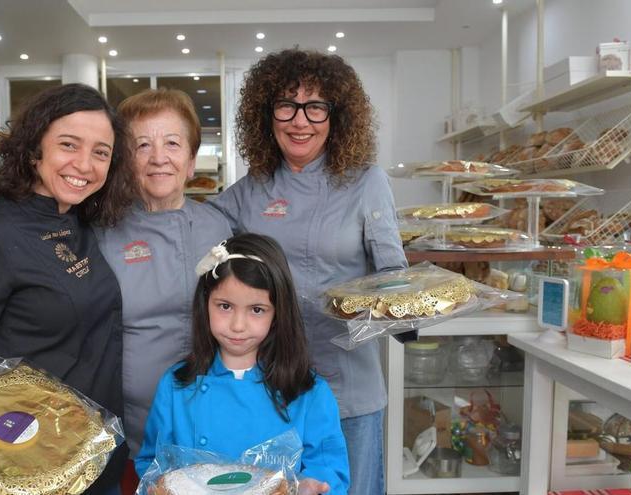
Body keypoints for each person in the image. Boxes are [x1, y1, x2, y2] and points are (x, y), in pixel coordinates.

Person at [210, 49, 410, 494]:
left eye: (315, 106)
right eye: (287, 105)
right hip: (270, 389)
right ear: (267, 115)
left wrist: (407, 310)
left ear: (336, 116)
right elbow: (193, 239)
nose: (300, 121)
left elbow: (394, 274)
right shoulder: (248, 192)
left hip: (348, 389)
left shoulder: (367, 182)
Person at [0, 83, 135, 495]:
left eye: (101, 152)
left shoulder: (80, 220)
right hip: (35, 465)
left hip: (100, 452)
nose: (85, 165)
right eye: (69, 145)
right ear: (35, 149)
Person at [135, 233, 350, 495]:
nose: (238, 325)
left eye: (256, 309)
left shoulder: (308, 391)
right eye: (225, 306)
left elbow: (329, 468)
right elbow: (151, 465)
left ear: (278, 313)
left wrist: (311, 486)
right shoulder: (177, 385)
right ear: (205, 304)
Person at [95, 88, 231, 457]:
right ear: (125, 161)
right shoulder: (103, 234)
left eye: (172, 143)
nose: (158, 158)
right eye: (142, 146)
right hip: (132, 427)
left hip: (217, 417)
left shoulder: (219, 226)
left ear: (191, 160)